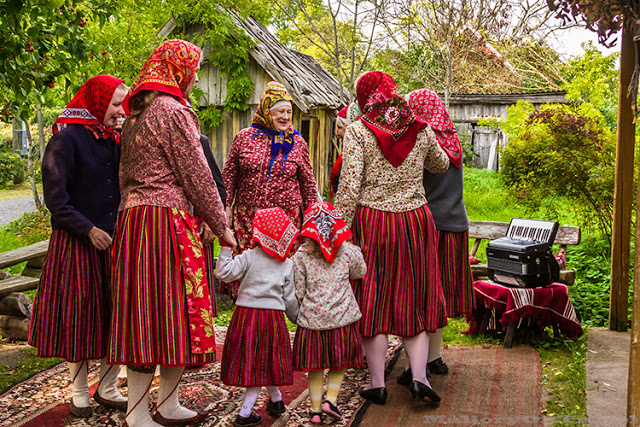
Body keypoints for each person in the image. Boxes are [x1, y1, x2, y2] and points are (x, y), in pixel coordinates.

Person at [109, 39, 236, 427]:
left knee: (149, 315)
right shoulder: (173, 111)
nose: (196, 75)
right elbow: (198, 177)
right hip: (164, 225)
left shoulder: (135, 114)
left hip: (134, 222)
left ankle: (164, 405)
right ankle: (139, 414)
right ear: (179, 69)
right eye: (194, 67)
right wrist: (222, 226)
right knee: (166, 312)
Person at [334, 71, 449, 405]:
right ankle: (419, 378)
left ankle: (377, 383)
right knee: (416, 298)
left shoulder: (358, 130)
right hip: (416, 220)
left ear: (364, 97)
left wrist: (339, 234)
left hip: (374, 222)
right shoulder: (419, 125)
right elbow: (441, 164)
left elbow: (349, 186)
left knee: (375, 300)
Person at [28, 75, 128, 418]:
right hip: (78, 243)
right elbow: (57, 201)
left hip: (115, 241)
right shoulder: (65, 141)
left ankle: (109, 386)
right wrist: (89, 230)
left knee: (117, 316)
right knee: (81, 318)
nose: (121, 111)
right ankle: (79, 391)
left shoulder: (117, 140)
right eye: (115, 104)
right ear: (98, 103)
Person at [221, 81, 320, 299]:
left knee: (281, 271)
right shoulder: (244, 138)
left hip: (286, 220)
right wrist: (226, 206)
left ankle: (278, 314)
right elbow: (228, 177)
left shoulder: (297, 143)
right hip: (248, 219)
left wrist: (314, 221)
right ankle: (249, 312)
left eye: (289, 112)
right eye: (280, 112)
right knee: (249, 270)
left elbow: (309, 185)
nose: (285, 116)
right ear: (267, 112)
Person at [402, 88, 475, 379]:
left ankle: (416, 365)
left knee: (422, 295)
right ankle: (435, 358)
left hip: (429, 226)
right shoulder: (452, 139)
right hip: (456, 224)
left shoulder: (422, 140)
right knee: (440, 293)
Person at [215, 207, 299, 427]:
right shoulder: (287, 264)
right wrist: (299, 319)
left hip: (246, 318)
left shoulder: (249, 257)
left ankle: (276, 400)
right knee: (264, 363)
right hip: (273, 321)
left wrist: (226, 248)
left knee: (257, 363)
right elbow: (290, 299)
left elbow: (223, 273)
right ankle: (244, 414)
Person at [292, 202, 367, 424]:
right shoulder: (349, 252)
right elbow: (360, 272)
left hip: (312, 322)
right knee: (339, 362)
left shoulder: (301, 256)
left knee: (315, 366)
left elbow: (298, 290)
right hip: (343, 318)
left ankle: (315, 411)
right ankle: (331, 400)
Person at [329, 103, 361, 200]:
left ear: (350, 128)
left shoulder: (356, 156)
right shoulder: (345, 155)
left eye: (339, 128)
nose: (336, 133)